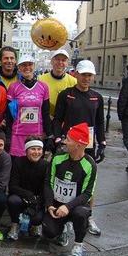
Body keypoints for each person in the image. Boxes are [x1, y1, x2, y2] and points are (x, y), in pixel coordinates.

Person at [51, 59, 105, 236]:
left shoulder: (97, 97)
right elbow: (58, 119)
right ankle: (64, 216)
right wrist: (58, 137)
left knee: (90, 182)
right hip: (69, 143)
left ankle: (88, 216)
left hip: (87, 145)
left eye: (89, 75)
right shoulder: (66, 94)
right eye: (83, 75)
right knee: (65, 179)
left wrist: (102, 143)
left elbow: (99, 122)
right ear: (76, 75)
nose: (86, 79)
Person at [42, 123, 97, 256]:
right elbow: (48, 182)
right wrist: (49, 205)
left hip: (75, 206)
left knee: (80, 214)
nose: (64, 142)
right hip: (56, 204)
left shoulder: (89, 165)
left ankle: (78, 244)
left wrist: (68, 207)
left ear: (78, 145)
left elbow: (87, 193)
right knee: (48, 232)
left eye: (68, 139)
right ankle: (62, 228)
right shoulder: (58, 157)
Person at [5, 55, 51, 157]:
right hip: (18, 134)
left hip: (36, 134)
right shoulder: (13, 87)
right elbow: (9, 115)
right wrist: (8, 137)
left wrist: (49, 134)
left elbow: (45, 113)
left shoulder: (43, 87)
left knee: (35, 167)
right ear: (19, 68)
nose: (27, 68)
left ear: (34, 66)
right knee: (18, 167)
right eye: (23, 65)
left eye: (30, 64)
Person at [7, 136, 47, 240]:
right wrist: (28, 195)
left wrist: (37, 201)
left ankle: (35, 225)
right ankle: (14, 225)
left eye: (39, 149)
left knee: (37, 218)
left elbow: (46, 188)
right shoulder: (18, 162)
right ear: (26, 150)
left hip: (37, 200)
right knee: (12, 200)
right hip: (21, 197)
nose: (36, 152)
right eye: (33, 149)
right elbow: (12, 186)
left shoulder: (46, 165)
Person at [38, 49, 77, 117]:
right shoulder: (41, 79)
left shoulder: (74, 81)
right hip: (46, 119)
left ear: (67, 63)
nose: (60, 62)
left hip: (65, 120)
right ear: (52, 61)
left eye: (63, 60)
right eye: (57, 59)